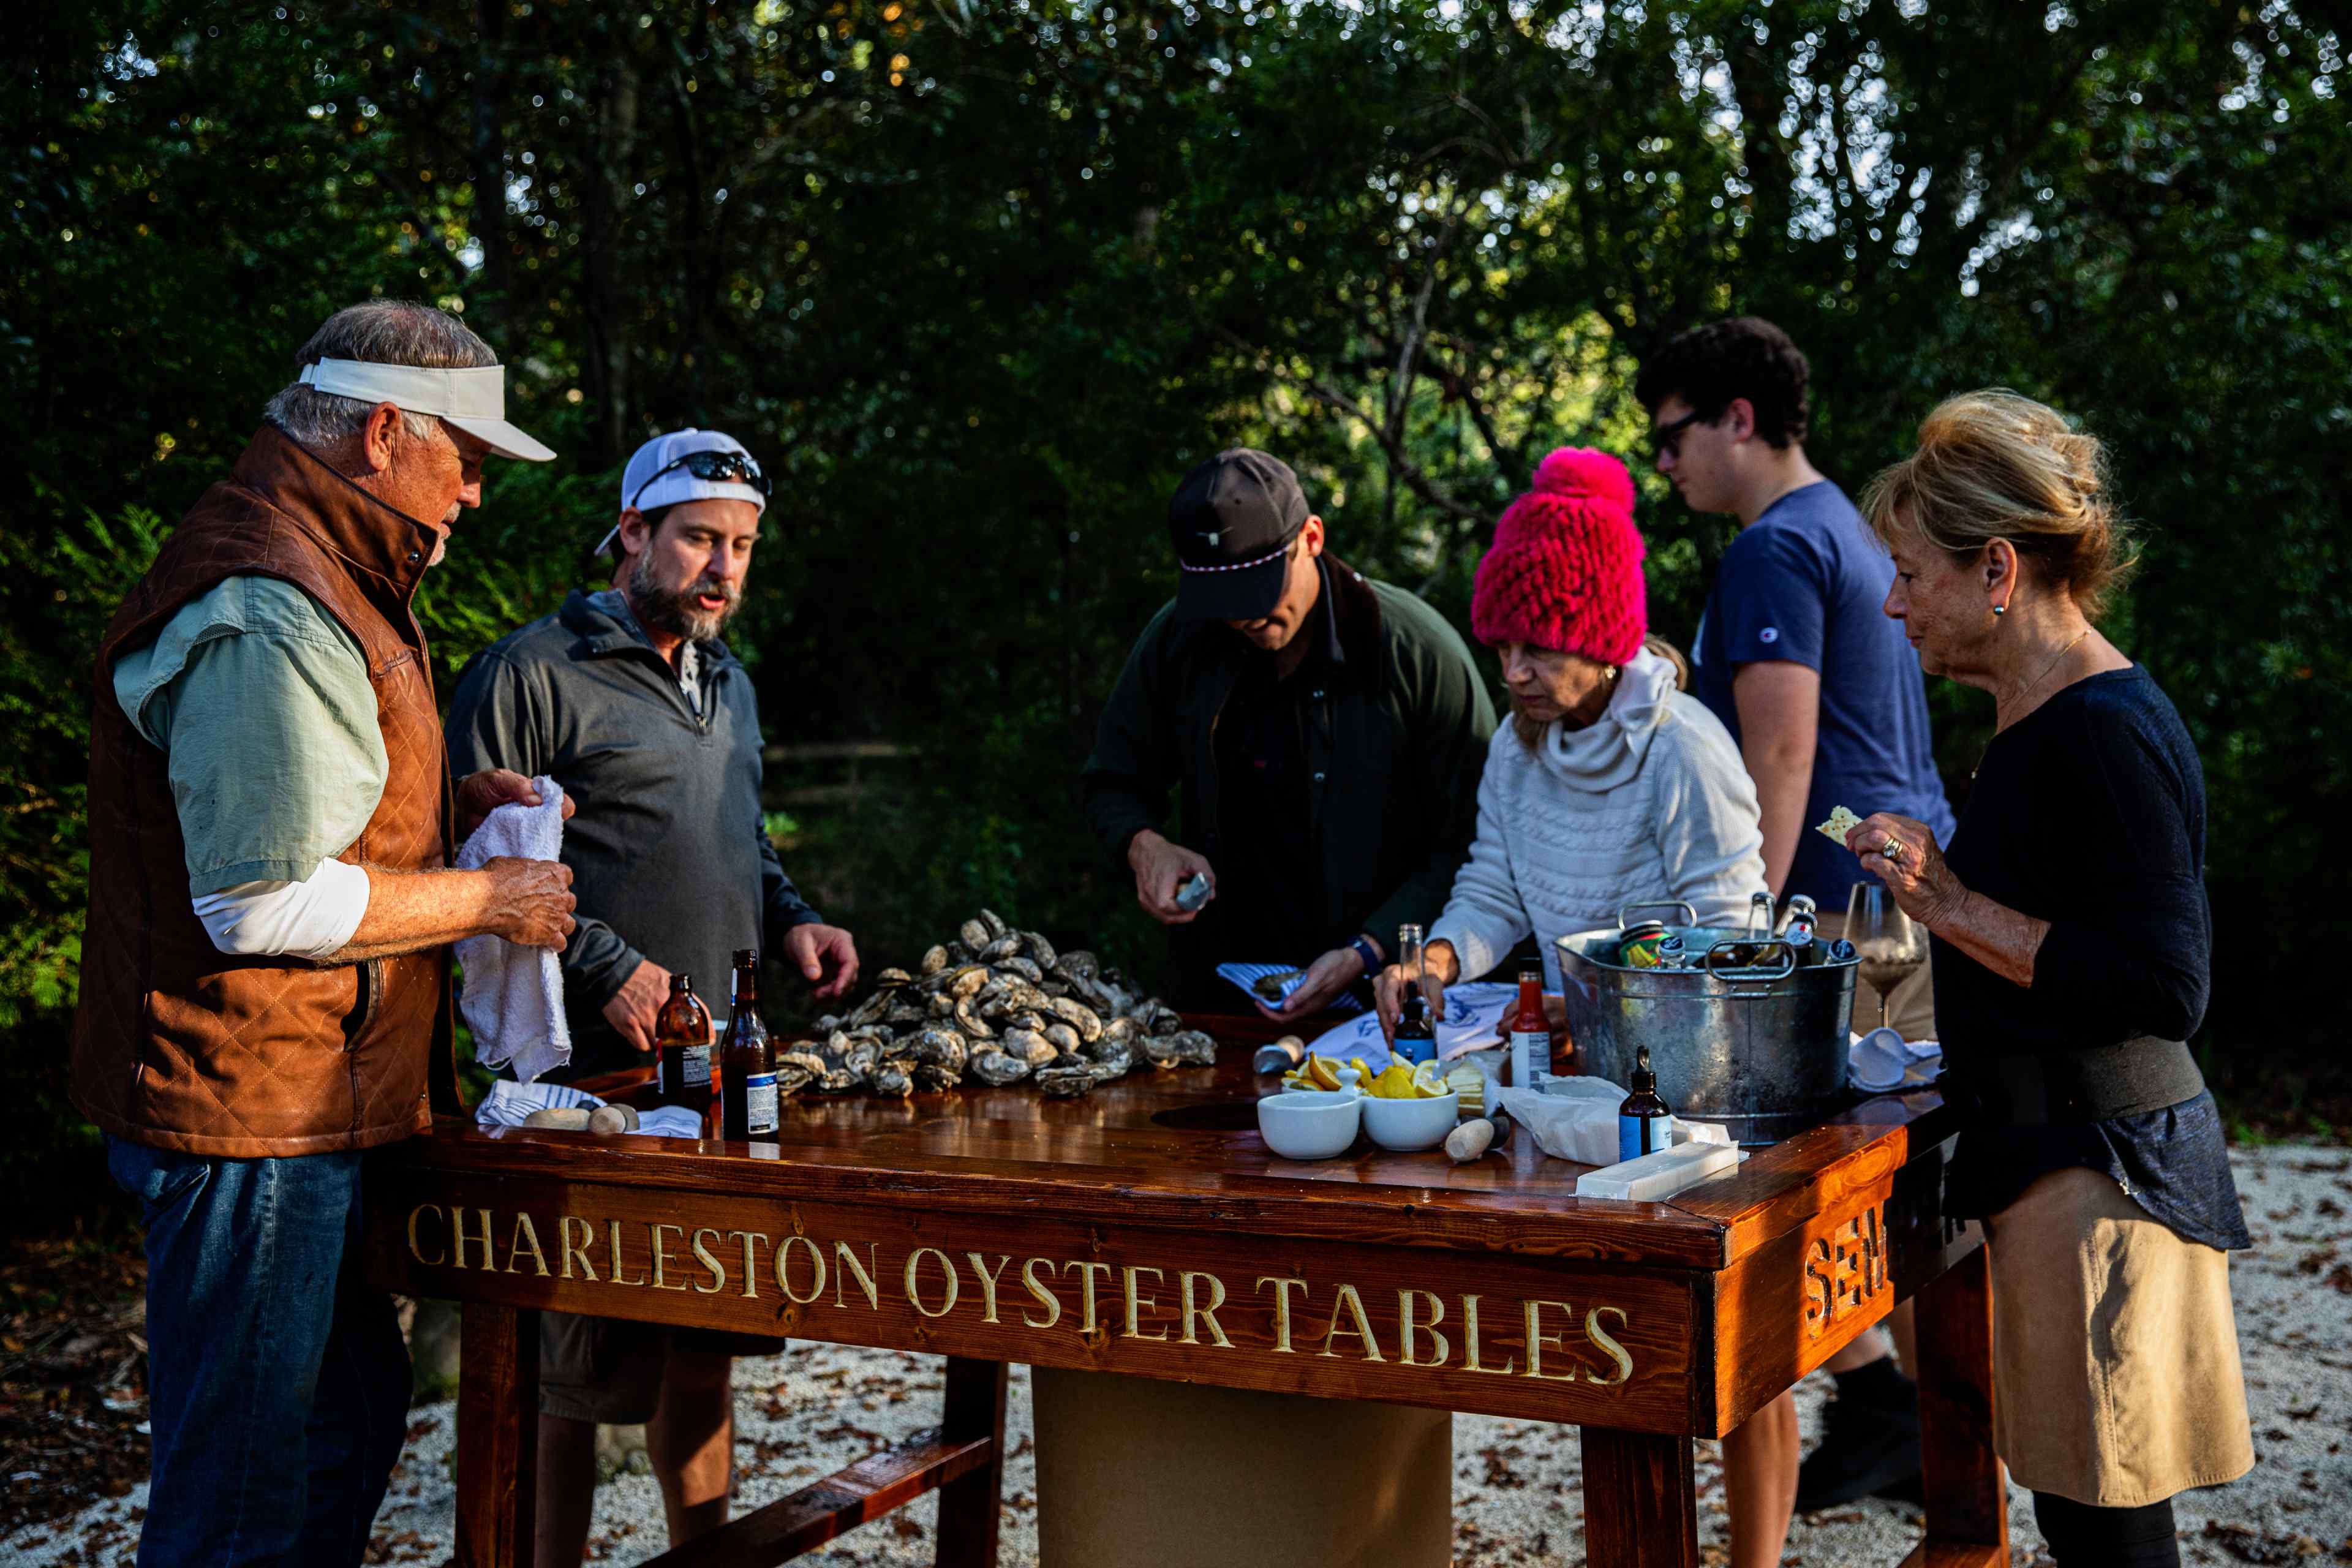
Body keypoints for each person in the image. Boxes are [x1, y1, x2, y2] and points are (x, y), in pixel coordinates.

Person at [72, 300, 578, 1567]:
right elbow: (257, 899)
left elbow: (303, 806)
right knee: (243, 1499)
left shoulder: (328, 564)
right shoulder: (273, 598)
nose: (472, 491)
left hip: (305, 1109)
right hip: (252, 1119)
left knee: (340, 1430)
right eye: (464, 457)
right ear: (384, 432)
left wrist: (443, 809)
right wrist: (491, 898)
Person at [1368, 448, 1796, 1568]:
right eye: (1501, 642)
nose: (1511, 668)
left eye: (1538, 645)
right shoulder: (1519, 747)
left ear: (1605, 637)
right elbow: (1493, 887)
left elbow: (1733, 940)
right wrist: (1446, 960)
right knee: (1619, 1344)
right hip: (1583, 1083)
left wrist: (1618, 1006)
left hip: (1706, 1091)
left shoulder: (1685, 754)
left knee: (1740, 1356)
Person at [1849, 390, 2252, 1568]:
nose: (1892, 601)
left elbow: (2166, 985)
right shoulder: (2035, 714)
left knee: (2115, 1535)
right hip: (2057, 1173)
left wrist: (1949, 905)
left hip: (2107, 1181)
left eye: (1911, 573)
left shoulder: (2104, 725)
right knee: (2085, 1517)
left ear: (1999, 571)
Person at [445, 427, 859, 1567]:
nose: (723, 567)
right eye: (697, 540)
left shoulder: (729, 681)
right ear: (632, 533)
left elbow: (741, 843)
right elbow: (478, 867)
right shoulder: (530, 673)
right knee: (569, 1375)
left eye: (741, 545)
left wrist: (795, 918)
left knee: (704, 1342)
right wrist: (605, 965)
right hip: (580, 1083)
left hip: (716, 1075)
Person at [1638, 315, 1948, 1505]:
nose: (1664, 463)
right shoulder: (1849, 534)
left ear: (1738, 419)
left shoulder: (1774, 549)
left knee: (1802, 1192)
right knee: (1892, 1189)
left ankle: (1921, 1432)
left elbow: (1782, 754)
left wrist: (1745, 940)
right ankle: (1897, 1417)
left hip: (1829, 914)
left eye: (1673, 435)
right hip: (1902, 903)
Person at [1080, 447, 1494, 1019]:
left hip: (1384, 1009)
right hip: (1220, 1005)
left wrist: (1367, 950)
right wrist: (1144, 845)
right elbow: (1112, 781)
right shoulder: (1179, 642)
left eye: (1256, 589)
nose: (1242, 618)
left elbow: (1476, 846)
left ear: (1312, 539)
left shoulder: (1416, 654)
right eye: (1219, 601)